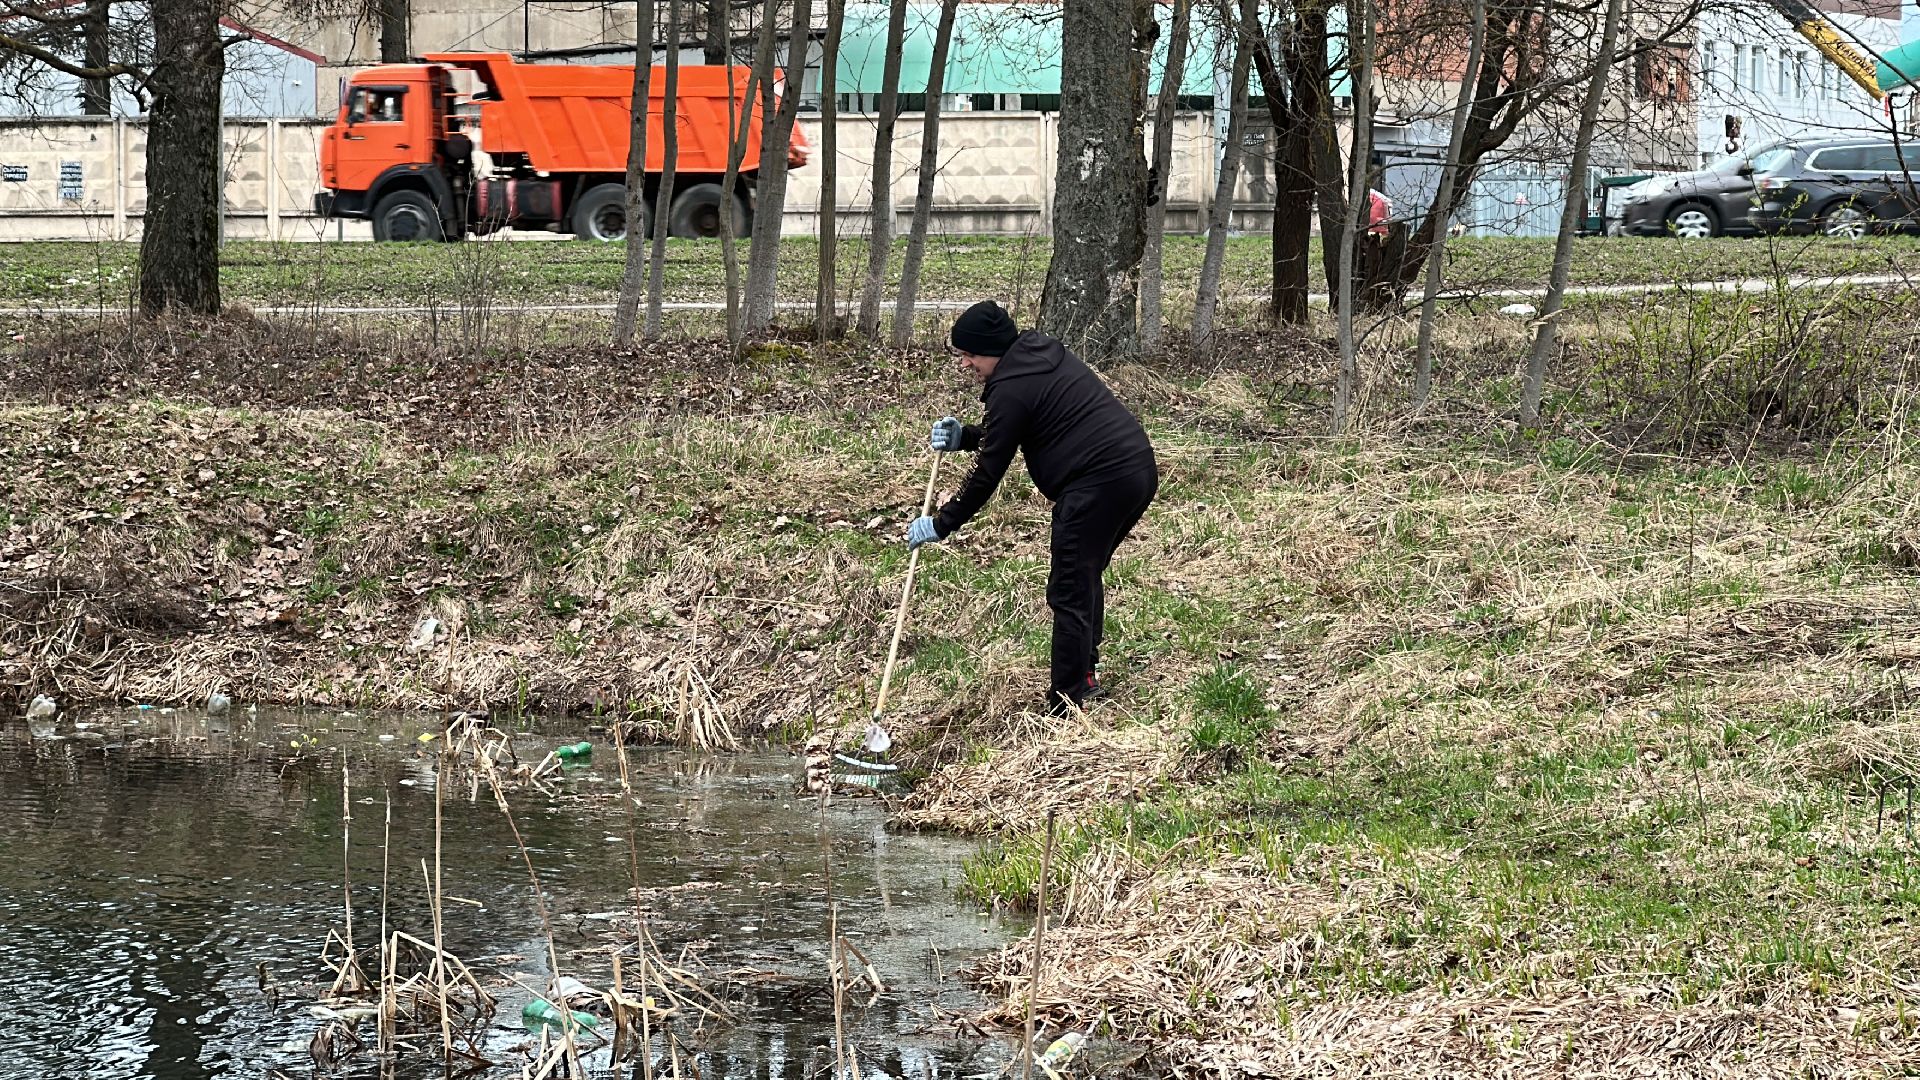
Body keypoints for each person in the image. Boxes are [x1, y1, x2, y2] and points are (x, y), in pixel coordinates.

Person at [907, 300, 1158, 715]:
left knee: (1070, 586)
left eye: (969, 354)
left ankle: (1069, 699)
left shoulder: (1012, 386)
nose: (965, 364)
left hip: (1098, 484)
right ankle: (1083, 677)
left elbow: (987, 473)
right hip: (1134, 470)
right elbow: (1009, 429)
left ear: (991, 349)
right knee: (1082, 575)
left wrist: (942, 523)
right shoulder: (1034, 357)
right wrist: (964, 437)